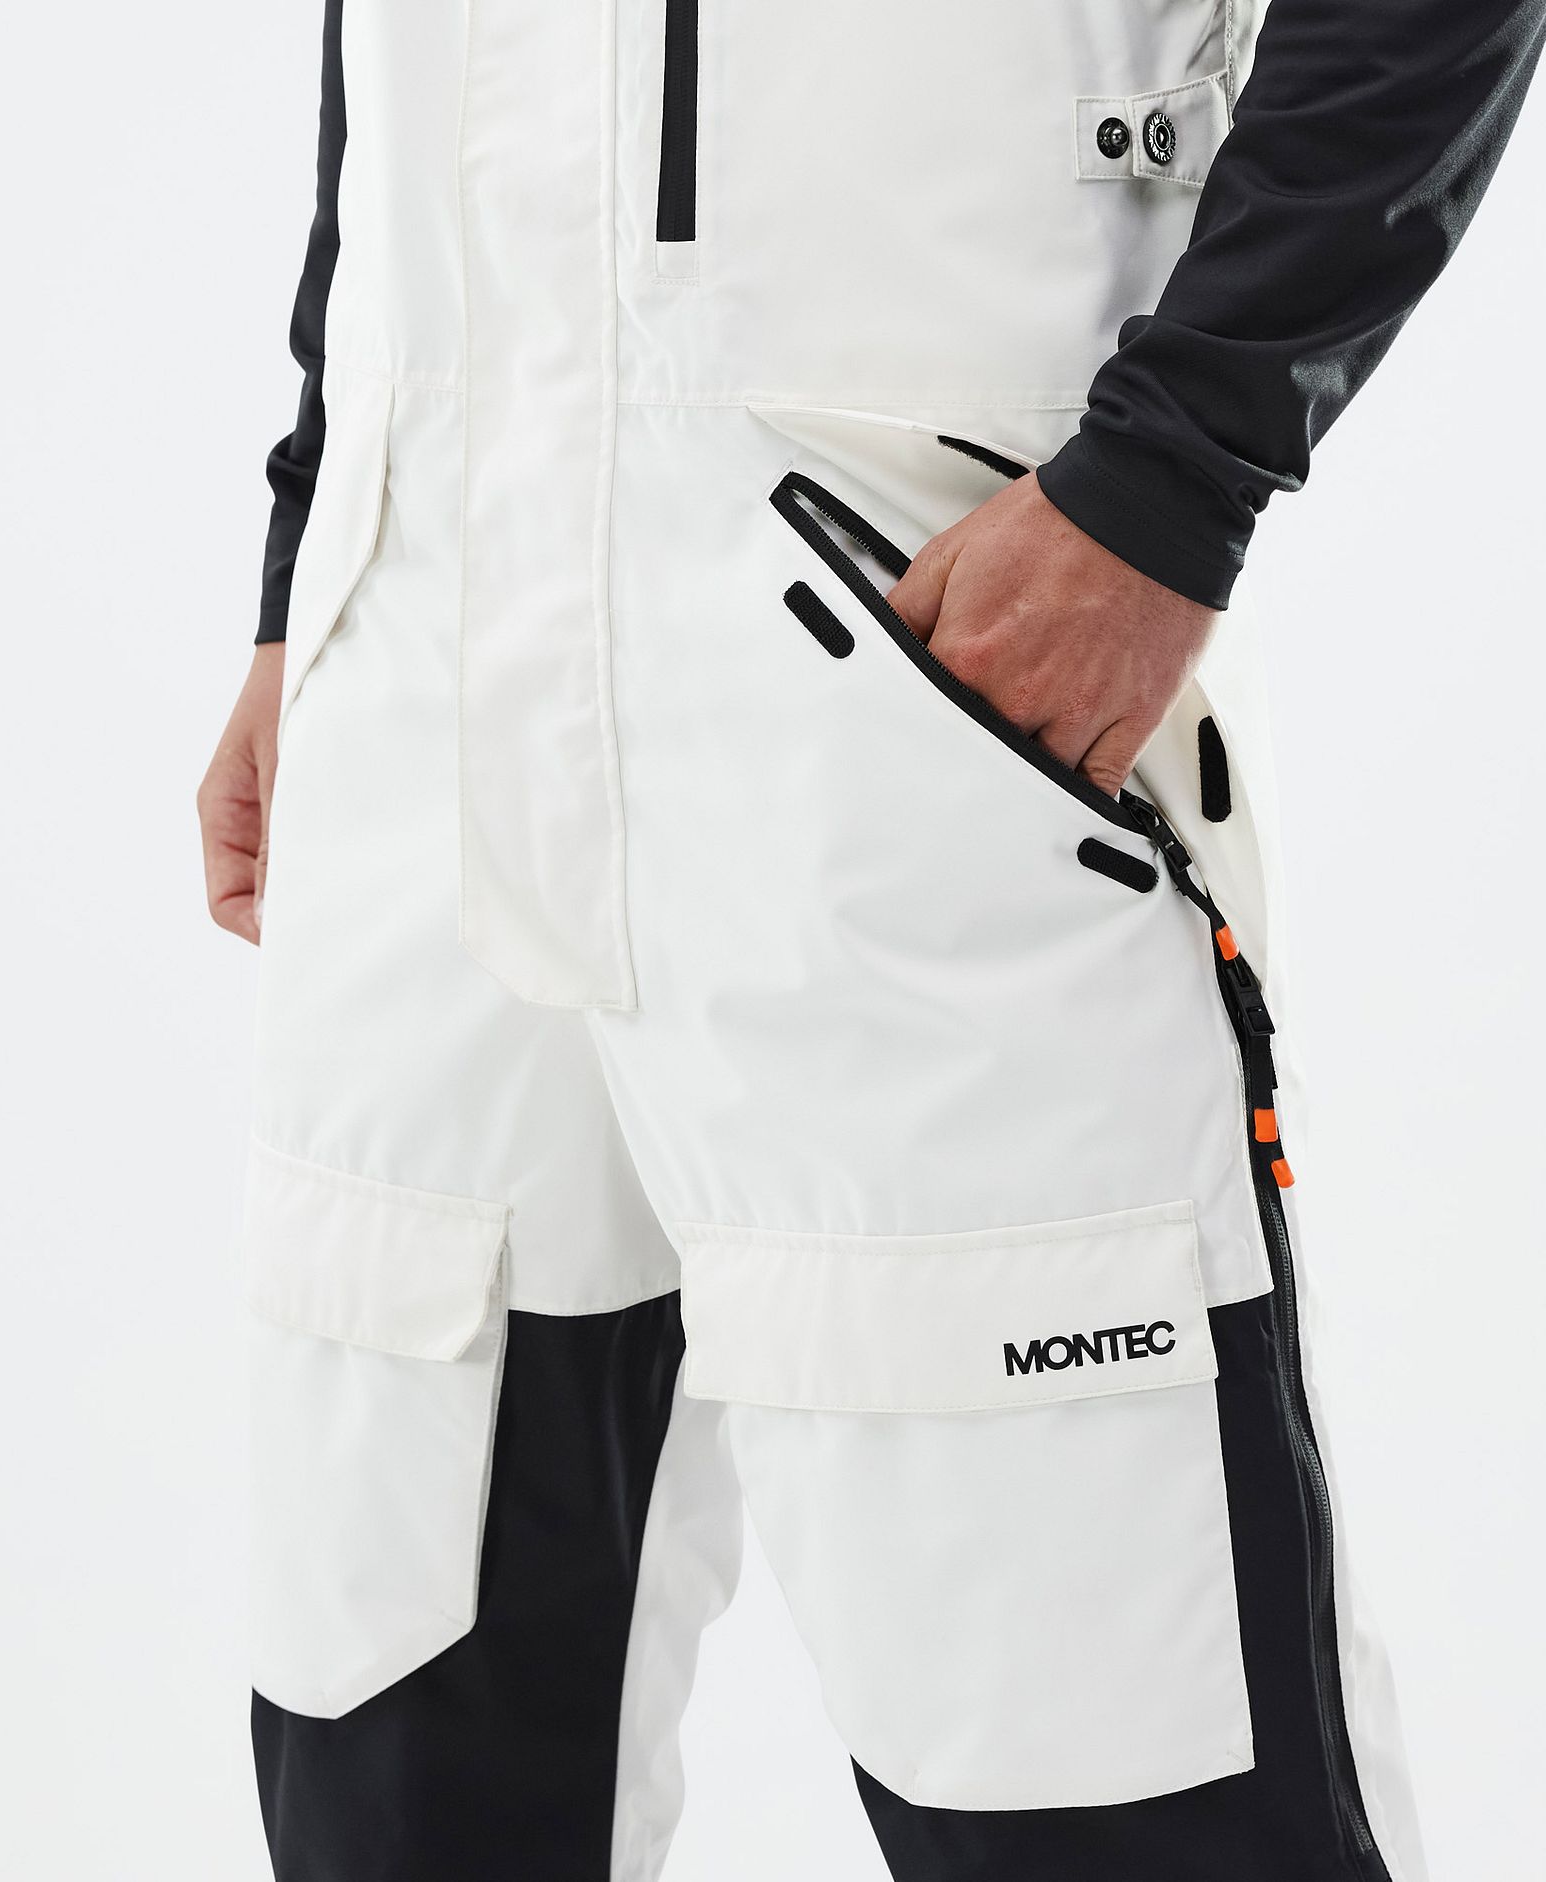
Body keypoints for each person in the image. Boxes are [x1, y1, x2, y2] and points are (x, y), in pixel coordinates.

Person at [198, 4, 1543, 1877]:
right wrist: (311, 562)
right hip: (416, 701)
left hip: (907, 669)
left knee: (1107, 1769)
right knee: (393, 1739)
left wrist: (1175, 479)